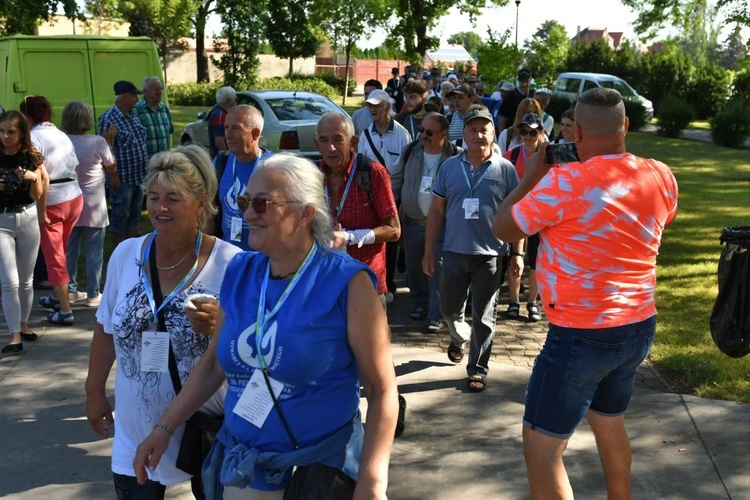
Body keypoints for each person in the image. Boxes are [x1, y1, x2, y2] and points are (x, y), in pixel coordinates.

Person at [132, 154, 399, 499]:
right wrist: (164, 428)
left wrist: (373, 482)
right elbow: (213, 364)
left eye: (262, 203)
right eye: (245, 202)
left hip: (316, 473)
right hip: (244, 470)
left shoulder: (347, 282)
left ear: (305, 212)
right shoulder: (241, 271)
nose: (247, 214)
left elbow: (381, 389)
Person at [492, 88, 678, 499]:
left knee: (542, 449)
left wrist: (529, 178)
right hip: (638, 326)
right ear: (625, 126)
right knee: (610, 424)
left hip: (581, 333)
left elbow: (503, 227)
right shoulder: (661, 174)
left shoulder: (563, 182)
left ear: (575, 134)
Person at [85, 144, 241, 499]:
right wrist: (93, 391)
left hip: (207, 426)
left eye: (173, 197)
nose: (160, 208)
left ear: (202, 202)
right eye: (153, 197)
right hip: (135, 426)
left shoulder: (231, 263)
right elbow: (105, 327)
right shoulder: (126, 254)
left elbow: (253, 342)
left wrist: (223, 324)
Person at [422, 106, 523, 392]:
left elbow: (516, 214)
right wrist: (429, 251)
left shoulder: (506, 170)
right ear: (463, 134)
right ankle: (458, 337)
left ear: (494, 133)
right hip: (453, 251)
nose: (478, 134)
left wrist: (517, 253)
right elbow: (436, 212)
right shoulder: (449, 167)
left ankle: (477, 369)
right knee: (449, 309)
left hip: (490, 255)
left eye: (484, 129)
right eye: (472, 129)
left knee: (484, 316)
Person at [316, 112, 400, 304]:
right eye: (324, 140)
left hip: (365, 280)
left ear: (353, 142)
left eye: (338, 139)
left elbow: (394, 231)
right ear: (316, 144)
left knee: (371, 335)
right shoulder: (313, 176)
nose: (331, 147)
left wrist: (349, 237)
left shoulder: (373, 173)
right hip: (326, 282)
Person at [391, 112, 460, 333]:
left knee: (437, 268)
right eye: (421, 130)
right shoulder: (412, 151)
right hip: (412, 221)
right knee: (415, 268)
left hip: (443, 224)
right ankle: (420, 302)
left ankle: (435, 314)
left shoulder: (455, 156)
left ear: (444, 133)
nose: (423, 135)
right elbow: (397, 179)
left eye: (429, 132)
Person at [21, 95, 84, 326]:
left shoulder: (33, 138)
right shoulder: (61, 134)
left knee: (54, 257)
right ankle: (59, 296)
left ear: (27, 116)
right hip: (74, 197)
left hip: (53, 201)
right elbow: (75, 166)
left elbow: (39, 177)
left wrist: (41, 210)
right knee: (60, 252)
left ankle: (65, 310)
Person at [357, 89, 410, 304]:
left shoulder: (402, 135)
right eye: (370, 106)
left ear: (388, 107)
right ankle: (373, 282)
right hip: (371, 199)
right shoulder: (365, 134)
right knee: (374, 240)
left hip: (394, 198)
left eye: (377, 106)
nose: (373, 110)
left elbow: (405, 169)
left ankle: (389, 285)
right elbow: (360, 165)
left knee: (392, 243)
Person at [0, 110, 46, 354]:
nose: (5, 136)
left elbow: (36, 195)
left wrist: (33, 178)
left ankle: (24, 325)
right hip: (1, 220)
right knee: (9, 281)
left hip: (27, 217)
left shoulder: (32, 157)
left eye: (10, 131)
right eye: (1, 131)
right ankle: (14, 335)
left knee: (26, 281)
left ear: (21, 133)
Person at [62, 101, 116, 308]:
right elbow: (111, 167)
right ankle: (93, 293)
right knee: (95, 251)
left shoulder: (63, 141)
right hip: (94, 203)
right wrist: (108, 142)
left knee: (70, 249)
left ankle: (71, 289)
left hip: (70, 201)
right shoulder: (98, 142)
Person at [203, 105, 273, 251]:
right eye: (226, 127)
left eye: (236, 128)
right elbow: (209, 211)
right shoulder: (220, 162)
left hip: (262, 258)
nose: (228, 135)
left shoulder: (274, 167)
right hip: (227, 257)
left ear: (255, 134)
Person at [503, 113, 545, 322]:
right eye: (524, 131)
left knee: (536, 260)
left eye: (533, 132)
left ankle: (532, 302)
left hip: (540, 215)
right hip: (517, 214)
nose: (527, 136)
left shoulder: (548, 156)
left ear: (541, 133)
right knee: (515, 256)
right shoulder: (511, 155)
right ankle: (513, 301)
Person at [98, 80, 149, 249]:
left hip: (139, 177)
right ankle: (118, 252)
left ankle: (131, 250)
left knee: (135, 215)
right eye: (134, 95)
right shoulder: (109, 119)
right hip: (122, 179)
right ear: (125, 97)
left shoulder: (133, 115)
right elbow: (104, 150)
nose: (137, 99)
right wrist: (112, 175)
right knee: (120, 216)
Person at [134, 76, 174, 158]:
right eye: (156, 89)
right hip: (146, 164)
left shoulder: (164, 109)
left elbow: (169, 132)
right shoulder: (136, 110)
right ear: (145, 92)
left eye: (161, 89)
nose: (160, 92)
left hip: (164, 162)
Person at [497, 68, 533, 133]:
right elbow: (502, 117)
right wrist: (502, 135)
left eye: (527, 81)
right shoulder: (510, 95)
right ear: (518, 80)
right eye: (522, 81)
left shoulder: (533, 95)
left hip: (528, 133)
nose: (524, 84)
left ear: (530, 80)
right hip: (512, 132)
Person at [207, 86, 237, 157]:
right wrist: (229, 157)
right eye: (235, 99)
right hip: (220, 157)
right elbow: (219, 142)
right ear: (229, 101)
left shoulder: (220, 112)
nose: (236, 102)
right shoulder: (220, 116)